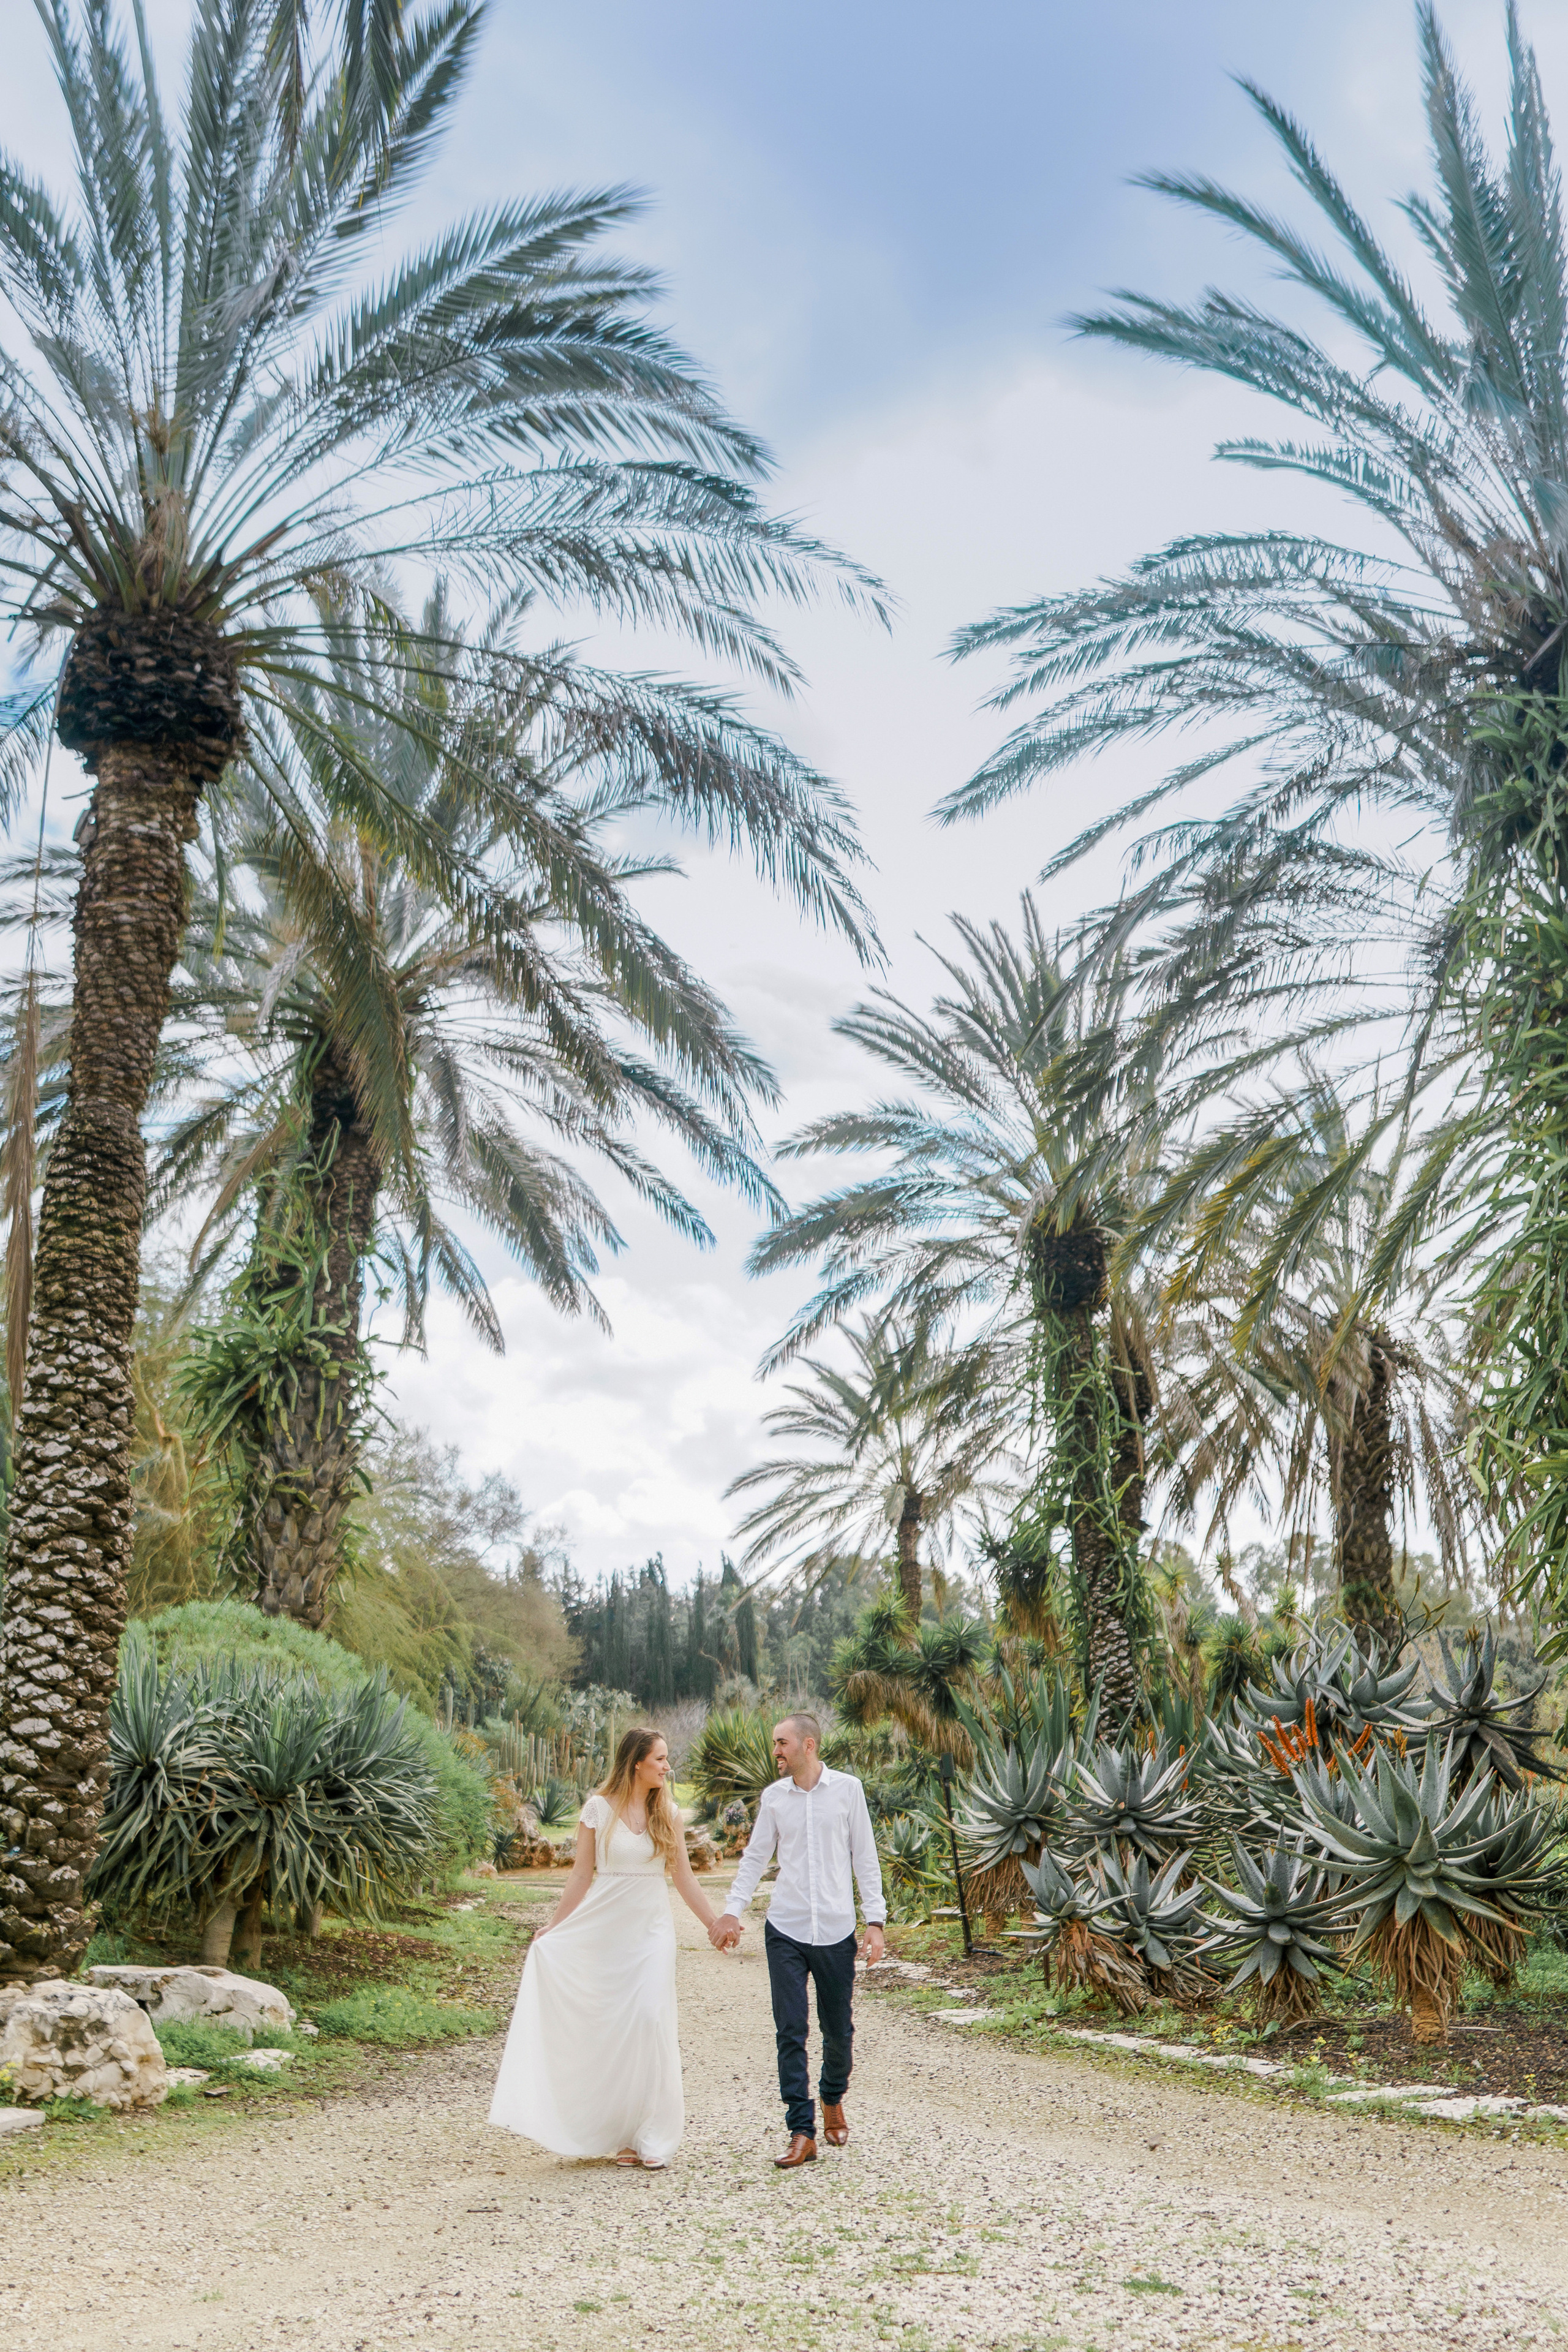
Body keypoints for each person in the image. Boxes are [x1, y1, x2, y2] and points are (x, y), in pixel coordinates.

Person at [489, 1726, 728, 2169]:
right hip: (607, 1931)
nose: (667, 1766)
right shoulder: (598, 1809)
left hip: (652, 1931)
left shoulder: (668, 1813)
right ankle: (623, 2135)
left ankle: (652, 2134)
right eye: (660, 1758)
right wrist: (554, 1926)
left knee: (650, 2019)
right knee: (616, 2029)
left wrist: (714, 1923)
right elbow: (581, 1874)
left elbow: (683, 1876)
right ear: (636, 1762)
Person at [713, 1712, 886, 2169]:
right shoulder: (774, 1798)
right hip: (785, 1929)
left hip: (835, 1930)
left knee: (839, 2031)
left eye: (782, 1743)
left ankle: (832, 2097)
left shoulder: (848, 1790)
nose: (776, 1751)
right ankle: (801, 2131)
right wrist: (732, 1910)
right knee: (790, 2030)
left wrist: (875, 1921)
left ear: (808, 1745)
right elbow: (754, 1859)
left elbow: (865, 1857)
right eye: (775, 1743)